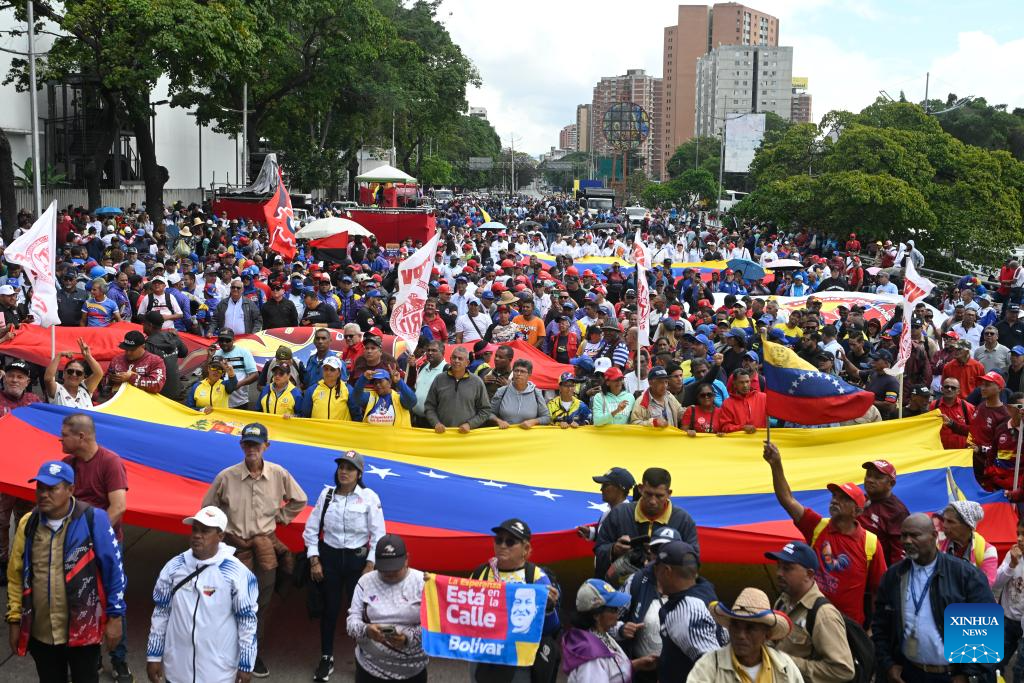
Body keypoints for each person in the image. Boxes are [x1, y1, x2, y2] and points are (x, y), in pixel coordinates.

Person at [201, 422, 308, 678]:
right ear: (241, 446)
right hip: (234, 549)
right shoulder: (226, 477)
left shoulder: (279, 474)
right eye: (248, 444)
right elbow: (207, 509)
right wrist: (221, 531)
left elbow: (300, 499)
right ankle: (225, 650)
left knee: (260, 603)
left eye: (257, 444)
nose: (252, 449)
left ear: (266, 446)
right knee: (227, 600)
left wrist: (280, 518)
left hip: (265, 548)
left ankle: (251, 652)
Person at [6, 461, 126, 683]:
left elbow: (114, 572)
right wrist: (14, 621)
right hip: (42, 633)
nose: (44, 494)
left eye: (52, 489)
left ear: (70, 489)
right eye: (40, 488)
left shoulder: (94, 519)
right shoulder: (28, 523)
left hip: (83, 632)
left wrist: (115, 617)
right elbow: (15, 575)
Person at [763, 441, 886, 624]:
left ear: (857, 511)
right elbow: (788, 500)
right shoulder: (817, 526)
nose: (835, 500)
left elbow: (879, 590)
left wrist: (873, 628)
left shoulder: (871, 543)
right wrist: (776, 464)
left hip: (848, 627)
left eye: (843, 498)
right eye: (834, 496)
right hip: (810, 620)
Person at [872, 513, 995, 683]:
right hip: (908, 673)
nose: (907, 541)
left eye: (914, 535)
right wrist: (888, 664)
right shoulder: (894, 576)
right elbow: (881, 625)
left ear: (934, 536)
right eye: (903, 535)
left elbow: (985, 631)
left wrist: (967, 675)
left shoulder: (964, 575)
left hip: (951, 676)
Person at [145, 505, 259, 683]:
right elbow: (161, 612)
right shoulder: (174, 567)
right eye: (195, 529)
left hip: (219, 674)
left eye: (205, 531)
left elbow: (247, 621)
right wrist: (154, 656)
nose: (197, 535)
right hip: (177, 671)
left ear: (220, 536)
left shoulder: (237, 573)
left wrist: (246, 666)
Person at [304, 450, 387, 681]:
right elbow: (311, 530)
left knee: (361, 612)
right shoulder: (327, 495)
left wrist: (370, 565)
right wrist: (314, 560)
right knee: (329, 609)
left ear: (359, 473)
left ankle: (365, 658)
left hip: (357, 562)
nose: (344, 472)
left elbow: (378, 535)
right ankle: (326, 657)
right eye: (341, 467)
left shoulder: (369, 497)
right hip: (329, 559)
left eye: (350, 468)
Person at [468, 519, 561, 683]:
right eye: (499, 540)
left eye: (510, 542)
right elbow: (464, 614)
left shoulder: (536, 577)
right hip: (482, 658)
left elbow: (551, 628)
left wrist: (548, 609)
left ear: (526, 548)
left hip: (519, 663)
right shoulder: (480, 573)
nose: (502, 545)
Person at [765, 541, 855, 683]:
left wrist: (786, 663)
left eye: (787, 568)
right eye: (779, 566)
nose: (779, 573)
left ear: (809, 574)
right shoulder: (783, 601)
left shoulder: (823, 615)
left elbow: (843, 670)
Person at [595, 467, 699, 584]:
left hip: (665, 590)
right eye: (648, 494)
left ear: (669, 494)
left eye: (659, 496)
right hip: (621, 589)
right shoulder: (619, 514)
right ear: (640, 488)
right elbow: (599, 550)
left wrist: (664, 558)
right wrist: (614, 550)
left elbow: (692, 561)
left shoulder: (683, 520)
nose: (653, 501)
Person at [346, 534, 427, 683]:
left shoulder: (422, 582)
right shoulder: (365, 582)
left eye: (395, 568)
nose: (390, 573)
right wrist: (367, 630)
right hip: (370, 669)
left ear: (407, 559)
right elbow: (351, 623)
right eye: (384, 568)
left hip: (412, 670)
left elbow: (433, 626)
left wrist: (407, 637)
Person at [688, 587, 802, 683]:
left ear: (766, 634)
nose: (741, 635)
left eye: (750, 628)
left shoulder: (785, 666)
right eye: (735, 626)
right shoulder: (708, 667)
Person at [652, 540, 727, 681]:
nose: (655, 576)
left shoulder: (687, 610)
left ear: (666, 571)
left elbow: (715, 668)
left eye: (656, 570)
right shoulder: (705, 592)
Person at [561, 579, 657, 682]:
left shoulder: (598, 635)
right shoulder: (591, 655)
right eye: (613, 609)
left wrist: (635, 665)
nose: (618, 614)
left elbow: (610, 671)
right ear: (596, 615)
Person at [424, 346, 491, 433]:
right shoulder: (439, 379)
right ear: (450, 359)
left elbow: (485, 410)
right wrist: (436, 423)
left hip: (466, 436)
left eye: (460, 359)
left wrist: (470, 424)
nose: (456, 361)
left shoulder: (477, 382)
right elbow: (429, 406)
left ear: (467, 363)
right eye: (454, 357)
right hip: (442, 434)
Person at [859, 460, 910, 566]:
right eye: (868, 475)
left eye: (877, 477)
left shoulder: (897, 512)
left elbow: (899, 553)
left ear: (891, 483)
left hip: (879, 571)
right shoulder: (857, 500)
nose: (870, 480)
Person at [938, 500, 998, 585]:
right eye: (944, 520)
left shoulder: (987, 551)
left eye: (950, 522)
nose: (944, 525)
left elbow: (985, 586)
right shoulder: (937, 543)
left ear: (968, 525)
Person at [576, 467, 635, 542]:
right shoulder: (607, 513)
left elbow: (623, 546)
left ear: (619, 488)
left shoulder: (627, 518)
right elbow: (610, 539)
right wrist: (593, 533)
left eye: (605, 485)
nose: (601, 489)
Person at [43, 338, 103, 408]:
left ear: (83, 377)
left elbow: (99, 374)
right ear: (64, 374)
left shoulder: (85, 388)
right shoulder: (57, 390)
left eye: (78, 373)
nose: (74, 374)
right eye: (70, 371)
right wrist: (59, 355)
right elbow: (48, 379)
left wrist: (88, 356)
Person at [491, 358, 550, 429]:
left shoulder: (536, 393)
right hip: (505, 433)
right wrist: (499, 421)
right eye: (516, 371)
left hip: (527, 434)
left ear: (529, 375)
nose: (518, 374)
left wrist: (533, 421)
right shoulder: (502, 391)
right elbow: (489, 413)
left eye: (522, 371)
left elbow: (546, 417)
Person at [350, 367, 417, 427]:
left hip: (397, 437)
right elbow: (355, 398)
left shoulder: (399, 397)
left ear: (389, 382)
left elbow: (412, 401)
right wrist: (363, 379)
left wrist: (399, 382)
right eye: (375, 383)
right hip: (372, 436)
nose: (377, 385)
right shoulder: (370, 396)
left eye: (380, 381)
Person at [106, 330, 167, 395]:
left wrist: (130, 378)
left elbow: (157, 385)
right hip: (118, 397)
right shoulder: (117, 359)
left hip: (143, 399)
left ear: (143, 346)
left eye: (132, 350)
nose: (128, 353)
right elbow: (104, 383)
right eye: (126, 349)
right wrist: (110, 380)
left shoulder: (155, 361)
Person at [212, 328, 260, 409]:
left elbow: (255, 375)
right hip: (219, 401)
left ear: (233, 340)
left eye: (227, 340)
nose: (224, 343)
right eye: (221, 340)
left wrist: (238, 385)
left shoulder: (244, 352)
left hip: (239, 401)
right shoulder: (216, 354)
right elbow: (208, 374)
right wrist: (209, 357)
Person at [299, 355, 352, 420]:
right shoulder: (312, 390)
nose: (328, 372)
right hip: (317, 427)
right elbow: (304, 416)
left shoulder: (348, 390)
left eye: (332, 370)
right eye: (326, 369)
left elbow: (356, 415)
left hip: (341, 427)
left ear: (339, 373)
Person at [717, 369, 767, 433]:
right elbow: (725, 427)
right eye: (741, 382)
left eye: (747, 381)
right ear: (734, 384)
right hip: (738, 439)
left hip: (761, 438)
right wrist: (742, 428)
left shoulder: (763, 398)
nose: (745, 385)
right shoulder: (727, 403)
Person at [930, 377, 974, 449]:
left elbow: (974, 430)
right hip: (939, 451)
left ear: (958, 391)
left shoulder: (967, 407)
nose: (949, 389)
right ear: (942, 389)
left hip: (961, 452)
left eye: (953, 388)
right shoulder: (934, 405)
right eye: (946, 387)